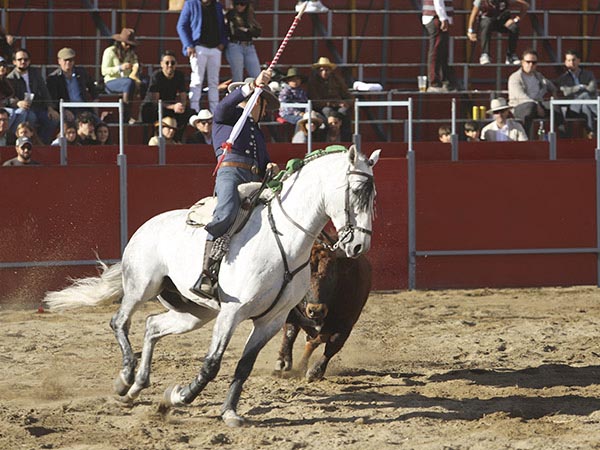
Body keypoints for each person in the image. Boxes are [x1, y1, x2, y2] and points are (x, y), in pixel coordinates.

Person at [190, 69, 279, 298]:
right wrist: (252, 87)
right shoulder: (226, 117)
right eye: (263, 103)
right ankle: (207, 273)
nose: (266, 110)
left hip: (254, 179)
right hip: (230, 173)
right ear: (254, 102)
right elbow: (223, 106)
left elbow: (263, 160)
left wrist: (270, 166)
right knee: (226, 211)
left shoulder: (257, 132)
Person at [176, 0, 228, 113]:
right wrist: (189, 45)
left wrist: (222, 44)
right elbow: (181, 25)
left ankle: (215, 112)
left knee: (214, 82)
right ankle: (194, 111)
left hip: (215, 48)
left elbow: (223, 26)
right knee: (197, 80)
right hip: (198, 47)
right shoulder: (191, 4)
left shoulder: (217, 5)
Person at [508, 48, 564, 139]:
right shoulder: (515, 77)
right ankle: (524, 138)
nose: (531, 64)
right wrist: (536, 105)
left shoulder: (538, 76)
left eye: (534, 62)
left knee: (554, 105)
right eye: (528, 62)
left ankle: (563, 136)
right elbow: (521, 97)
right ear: (522, 62)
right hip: (520, 107)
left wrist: (554, 93)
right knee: (530, 106)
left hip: (538, 105)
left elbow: (550, 85)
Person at [7, 48, 60, 144]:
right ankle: (28, 143)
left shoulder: (35, 73)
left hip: (38, 106)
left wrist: (50, 108)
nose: (23, 62)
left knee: (54, 119)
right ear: (14, 62)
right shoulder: (10, 77)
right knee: (31, 117)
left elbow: (44, 91)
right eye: (19, 60)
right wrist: (18, 102)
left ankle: (43, 144)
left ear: (29, 61)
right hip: (25, 109)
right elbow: (8, 97)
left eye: (26, 59)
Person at [141, 50, 194, 140]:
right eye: (167, 63)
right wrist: (173, 107)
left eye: (172, 63)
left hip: (170, 107)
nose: (170, 65)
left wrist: (182, 106)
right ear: (162, 64)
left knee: (189, 113)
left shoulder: (179, 75)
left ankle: (178, 139)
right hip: (153, 108)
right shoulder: (156, 76)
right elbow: (155, 101)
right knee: (156, 109)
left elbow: (183, 95)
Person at [467, 0, 529, 65]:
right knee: (486, 23)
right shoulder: (480, 1)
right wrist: (470, 31)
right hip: (488, 21)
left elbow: (525, 5)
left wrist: (516, 20)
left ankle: (511, 55)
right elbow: (473, 14)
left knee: (514, 27)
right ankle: (485, 54)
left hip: (502, 21)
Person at [46, 47, 98, 122]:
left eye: (70, 60)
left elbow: (92, 86)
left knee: (98, 123)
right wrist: (63, 110)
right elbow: (53, 98)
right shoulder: (53, 78)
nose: (68, 63)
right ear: (59, 61)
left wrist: (95, 100)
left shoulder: (81, 73)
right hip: (67, 108)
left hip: (84, 108)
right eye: (65, 60)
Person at [556, 49, 597, 139]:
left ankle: (591, 133)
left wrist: (573, 89)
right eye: (569, 60)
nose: (572, 63)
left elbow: (592, 88)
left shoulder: (588, 74)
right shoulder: (563, 78)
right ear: (565, 62)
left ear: (579, 61)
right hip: (572, 107)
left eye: (574, 60)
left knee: (586, 106)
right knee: (585, 95)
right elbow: (565, 92)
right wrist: (580, 87)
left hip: (585, 105)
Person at [101, 28, 141, 122]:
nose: (127, 47)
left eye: (130, 45)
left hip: (127, 81)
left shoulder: (131, 53)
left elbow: (136, 63)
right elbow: (104, 71)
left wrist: (135, 68)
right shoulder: (110, 51)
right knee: (128, 82)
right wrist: (119, 68)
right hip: (111, 82)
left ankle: (141, 115)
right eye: (126, 44)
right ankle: (126, 115)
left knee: (143, 82)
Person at [307, 56, 353, 136]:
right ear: (318, 71)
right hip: (322, 107)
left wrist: (346, 103)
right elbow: (315, 101)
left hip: (338, 105)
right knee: (327, 111)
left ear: (331, 70)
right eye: (321, 70)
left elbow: (347, 94)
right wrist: (333, 104)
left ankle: (345, 137)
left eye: (326, 70)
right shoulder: (313, 82)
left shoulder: (337, 79)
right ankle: (327, 136)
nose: (324, 72)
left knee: (344, 111)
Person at [422, 0, 455, 92]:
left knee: (441, 51)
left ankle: (443, 81)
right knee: (436, 51)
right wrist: (443, 18)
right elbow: (438, 1)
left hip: (436, 18)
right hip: (436, 18)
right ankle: (435, 82)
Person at [225, 0, 262, 83]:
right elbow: (234, 32)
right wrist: (249, 31)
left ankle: (256, 95)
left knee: (257, 74)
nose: (239, 6)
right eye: (237, 3)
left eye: (242, 4)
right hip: (235, 45)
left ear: (247, 5)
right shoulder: (231, 15)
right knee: (237, 75)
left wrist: (245, 30)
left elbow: (258, 32)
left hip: (249, 46)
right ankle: (236, 94)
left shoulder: (250, 16)